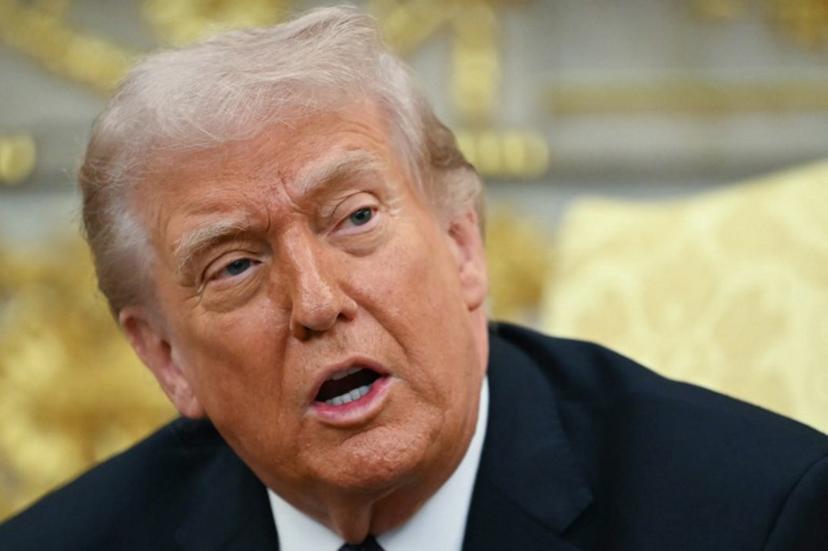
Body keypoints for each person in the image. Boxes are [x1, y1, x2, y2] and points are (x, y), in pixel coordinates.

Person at [1, 6, 827, 550]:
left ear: (463, 244)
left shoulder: (755, 516)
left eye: (355, 218)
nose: (318, 304)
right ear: (166, 358)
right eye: (237, 265)